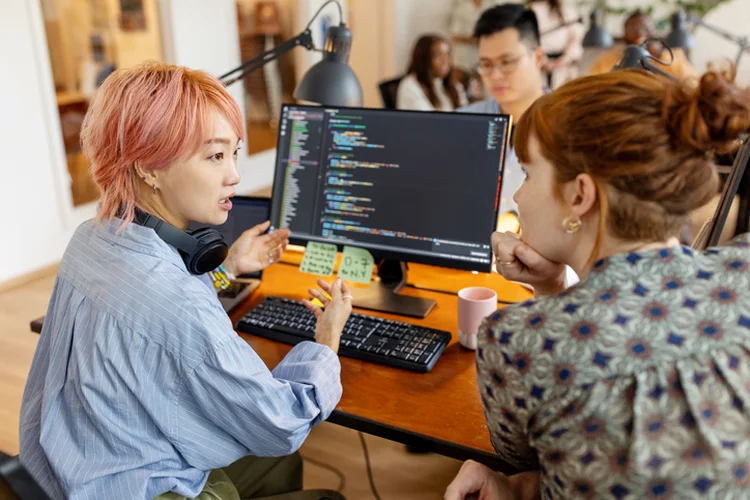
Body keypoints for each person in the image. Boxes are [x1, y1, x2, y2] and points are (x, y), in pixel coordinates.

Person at [19, 62, 352, 500]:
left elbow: (145, 317)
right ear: (148, 168)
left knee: (279, 467)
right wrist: (326, 343)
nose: (234, 174)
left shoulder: (90, 238)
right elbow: (280, 422)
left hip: (75, 474)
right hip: (153, 489)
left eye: (234, 152)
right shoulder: (180, 308)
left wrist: (226, 269)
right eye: (215, 155)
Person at [445, 69, 750, 499]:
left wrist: (549, 298)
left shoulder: (516, 341)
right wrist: (553, 286)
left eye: (529, 175)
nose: (518, 197)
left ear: (579, 196)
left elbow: (531, 460)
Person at [459, 3, 547, 222]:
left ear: (537, 58)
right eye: (486, 65)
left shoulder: (568, 124)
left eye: (507, 62)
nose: (495, 75)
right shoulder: (464, 122)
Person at [589, 9, 698, 79]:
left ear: (654, 32)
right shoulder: (607, 60)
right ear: (624, 36)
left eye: (646, 28)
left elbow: (692, 84)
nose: (640, 33)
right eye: (633, 29)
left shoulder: (672, 57)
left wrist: (659, 55)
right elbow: (592, 86)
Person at [397, 34, 468, 111]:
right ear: (423, 60)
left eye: (448, 54)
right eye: (438, 55)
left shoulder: (449, 84)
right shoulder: (410, 86)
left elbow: (465, 110)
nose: (445, 60)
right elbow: (430, 120)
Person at [528, 0, 584, 89]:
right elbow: (526, 40)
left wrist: (564, 59)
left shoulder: (566, 11)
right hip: (539, 68)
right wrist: (543, 61)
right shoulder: (529, 11)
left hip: (564, 69)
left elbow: (575, 40)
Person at [449, 0, 501, 75]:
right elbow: (455, 37)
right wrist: (471, 40)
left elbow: (498, 32)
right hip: (463, 60)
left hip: (485, 57)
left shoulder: (492, 6)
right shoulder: (461, 8)